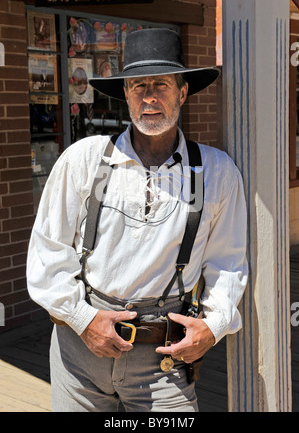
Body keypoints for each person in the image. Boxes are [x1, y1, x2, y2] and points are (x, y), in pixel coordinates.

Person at [27, 28, 248, 412]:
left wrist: (212, 327)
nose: (149, 96)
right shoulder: (85, 160)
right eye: (137, 85)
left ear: (182, 92)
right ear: (125, 95)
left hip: (163, 361)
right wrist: (81, 318)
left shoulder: (216, 171)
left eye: (161, 84)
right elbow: (48, 251)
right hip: (79, 353)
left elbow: (228, 263)